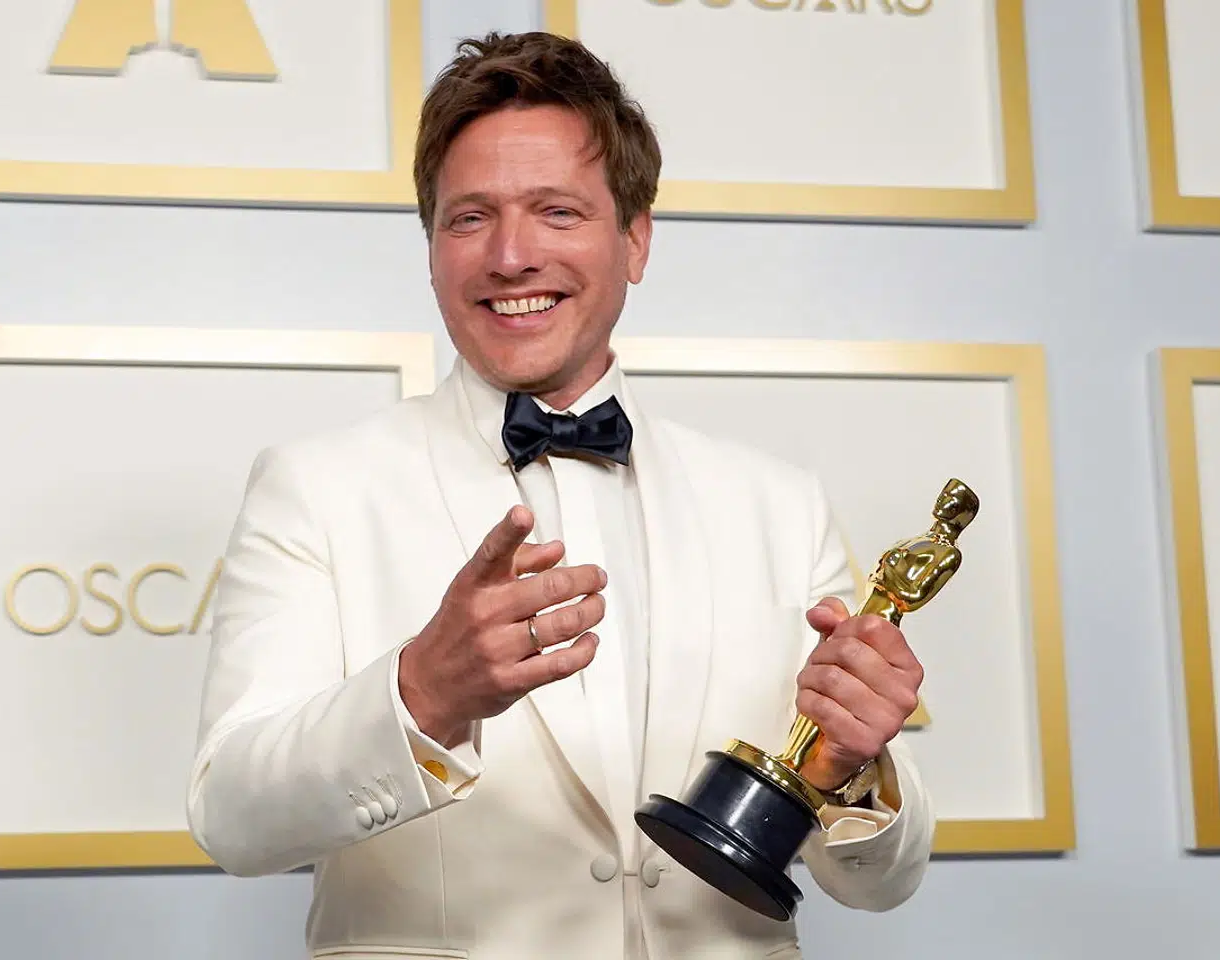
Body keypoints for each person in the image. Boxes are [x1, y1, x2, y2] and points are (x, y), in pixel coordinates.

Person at [186, 30, 934, 960]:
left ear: (635, 240)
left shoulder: (778, 503)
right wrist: (422, 695)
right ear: (431, 248)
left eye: (557, 212)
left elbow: (878, 885)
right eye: (470, 218)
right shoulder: (315, 486)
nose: (510, 256)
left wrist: (849, 766)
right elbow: (233, 818)